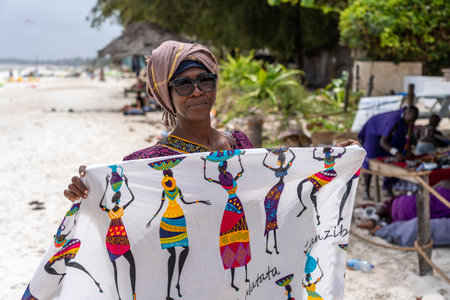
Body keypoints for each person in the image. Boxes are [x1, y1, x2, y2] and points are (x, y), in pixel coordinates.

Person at [62, 41, 360, 296]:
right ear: (167, 93)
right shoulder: (150, 163)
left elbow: (279, 190)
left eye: (205, 80)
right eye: (183, 84)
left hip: (246, 282)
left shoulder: (240, 145)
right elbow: (128, 224)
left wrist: (334, 160)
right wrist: (90, 194)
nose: (197, 91)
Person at [358, 106, 419, 199]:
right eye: (410, 120)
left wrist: (406, 152)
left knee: (392, 161)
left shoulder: (406, 119)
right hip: (373, 132)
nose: (411, 123)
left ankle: (388, 189)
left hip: (385, 136)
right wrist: (396, 153)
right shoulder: (394, 120)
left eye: (413, 121)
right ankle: (366, 192)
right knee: (370, 161)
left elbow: (406, 138)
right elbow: (383, 142)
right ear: (405, 114)